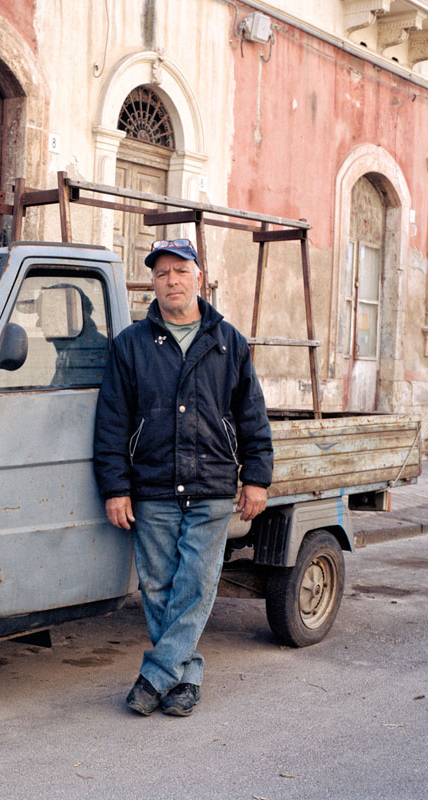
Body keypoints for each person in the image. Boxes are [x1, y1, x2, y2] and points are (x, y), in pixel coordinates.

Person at [93, 238, 273, 717]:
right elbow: (111, 422)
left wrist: (256, 477)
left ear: (199, 277)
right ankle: (184, 678)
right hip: (151, 485)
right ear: (152, 282)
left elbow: (251, 414)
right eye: (161, 273)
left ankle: (153, 678)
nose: (171, 280)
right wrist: (115, 487)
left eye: (180, 270)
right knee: (157, 587)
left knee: (194, 583)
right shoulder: (130, 345)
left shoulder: (227, 340)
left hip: (212, 483)